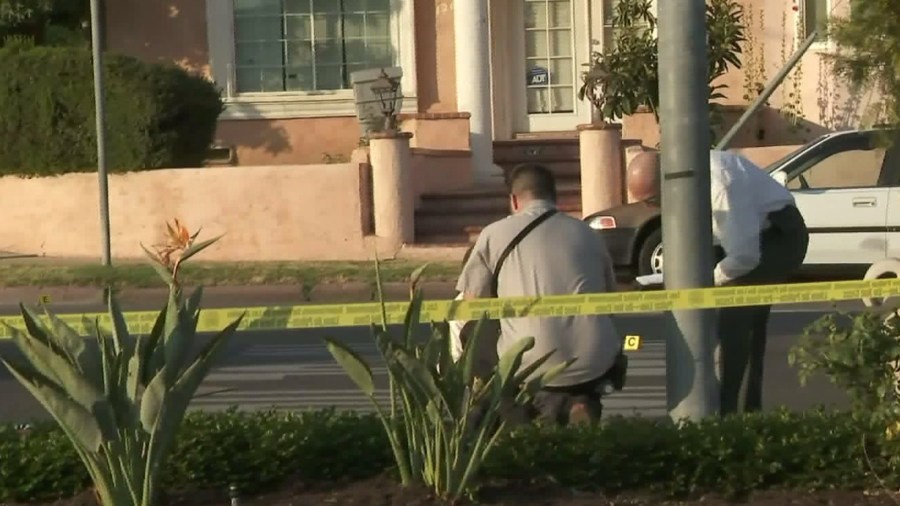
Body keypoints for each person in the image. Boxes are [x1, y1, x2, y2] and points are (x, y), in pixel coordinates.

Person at [630, 149, 809, 415]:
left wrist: (706, 284)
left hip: (777, 236)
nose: (654, 208)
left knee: (736, 319)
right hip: (737, 237)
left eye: (654, 200)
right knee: (709, 310)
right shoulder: (683, 171)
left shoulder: (720, 186)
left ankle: (731, 415)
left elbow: (745, 257)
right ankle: (726, 404)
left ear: (667, 178)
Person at [456, 163, 623, 425]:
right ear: (554, 196)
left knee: (475, 333)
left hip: (531, 365)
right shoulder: (587, 233)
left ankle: (513, 411)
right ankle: (580, 400)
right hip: (596, 361)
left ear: (514, 199)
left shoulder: (493, 233)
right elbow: (611, 301)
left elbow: (471, 306)